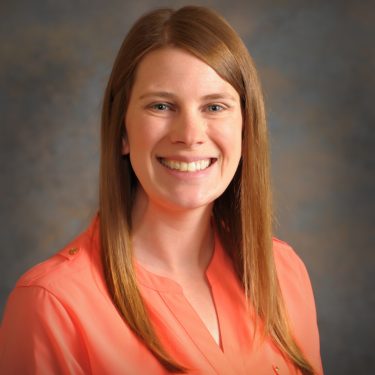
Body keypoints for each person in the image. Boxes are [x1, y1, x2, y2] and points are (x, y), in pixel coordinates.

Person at [0, 6, 323, 375]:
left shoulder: (284, 272)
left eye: (214, 106)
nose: (190, 134)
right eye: (161, 106)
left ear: (246, 130)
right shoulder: (52, 305)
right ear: (122, 131)